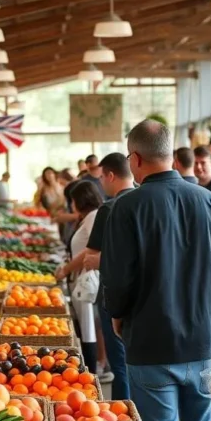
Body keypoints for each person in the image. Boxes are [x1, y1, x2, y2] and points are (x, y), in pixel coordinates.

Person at [101, 120, 211, 421]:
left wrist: (117, 314)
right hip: (204, 341)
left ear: (135, 159)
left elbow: (118, 278)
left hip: (150, 341)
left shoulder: (126, 208)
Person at [83, 152, 135, 400]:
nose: (101, 183)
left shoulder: (109, 208)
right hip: (145, 297)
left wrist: (98, 260)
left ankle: (123, 414)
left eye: (102, 177)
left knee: (120, 364)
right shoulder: (147, 203)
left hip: (113, 295)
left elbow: (91, 257)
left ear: (111, 175)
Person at [55, 181, 104, 373]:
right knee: (85, 327)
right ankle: (89, 369)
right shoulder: (86, 218)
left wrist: (67, 269)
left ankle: (91, 373)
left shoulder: (93, 217)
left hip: (85, 281)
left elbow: (91, 249)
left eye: (72, 200)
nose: (71, 204)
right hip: (79, 280)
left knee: (88, 327)